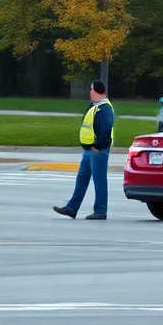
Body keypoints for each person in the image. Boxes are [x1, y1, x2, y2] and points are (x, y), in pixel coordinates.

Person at [55, 80, 114, 221]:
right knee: (82, 178)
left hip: (98, 150)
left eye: (91, 89)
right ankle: (71, 208)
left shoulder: (104, 108)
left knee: (99, 180)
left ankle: (100, 211)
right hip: (89, 150)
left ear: (97, 91)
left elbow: (106, 130)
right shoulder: (96, 106)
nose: (89, 91)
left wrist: (97, 146)